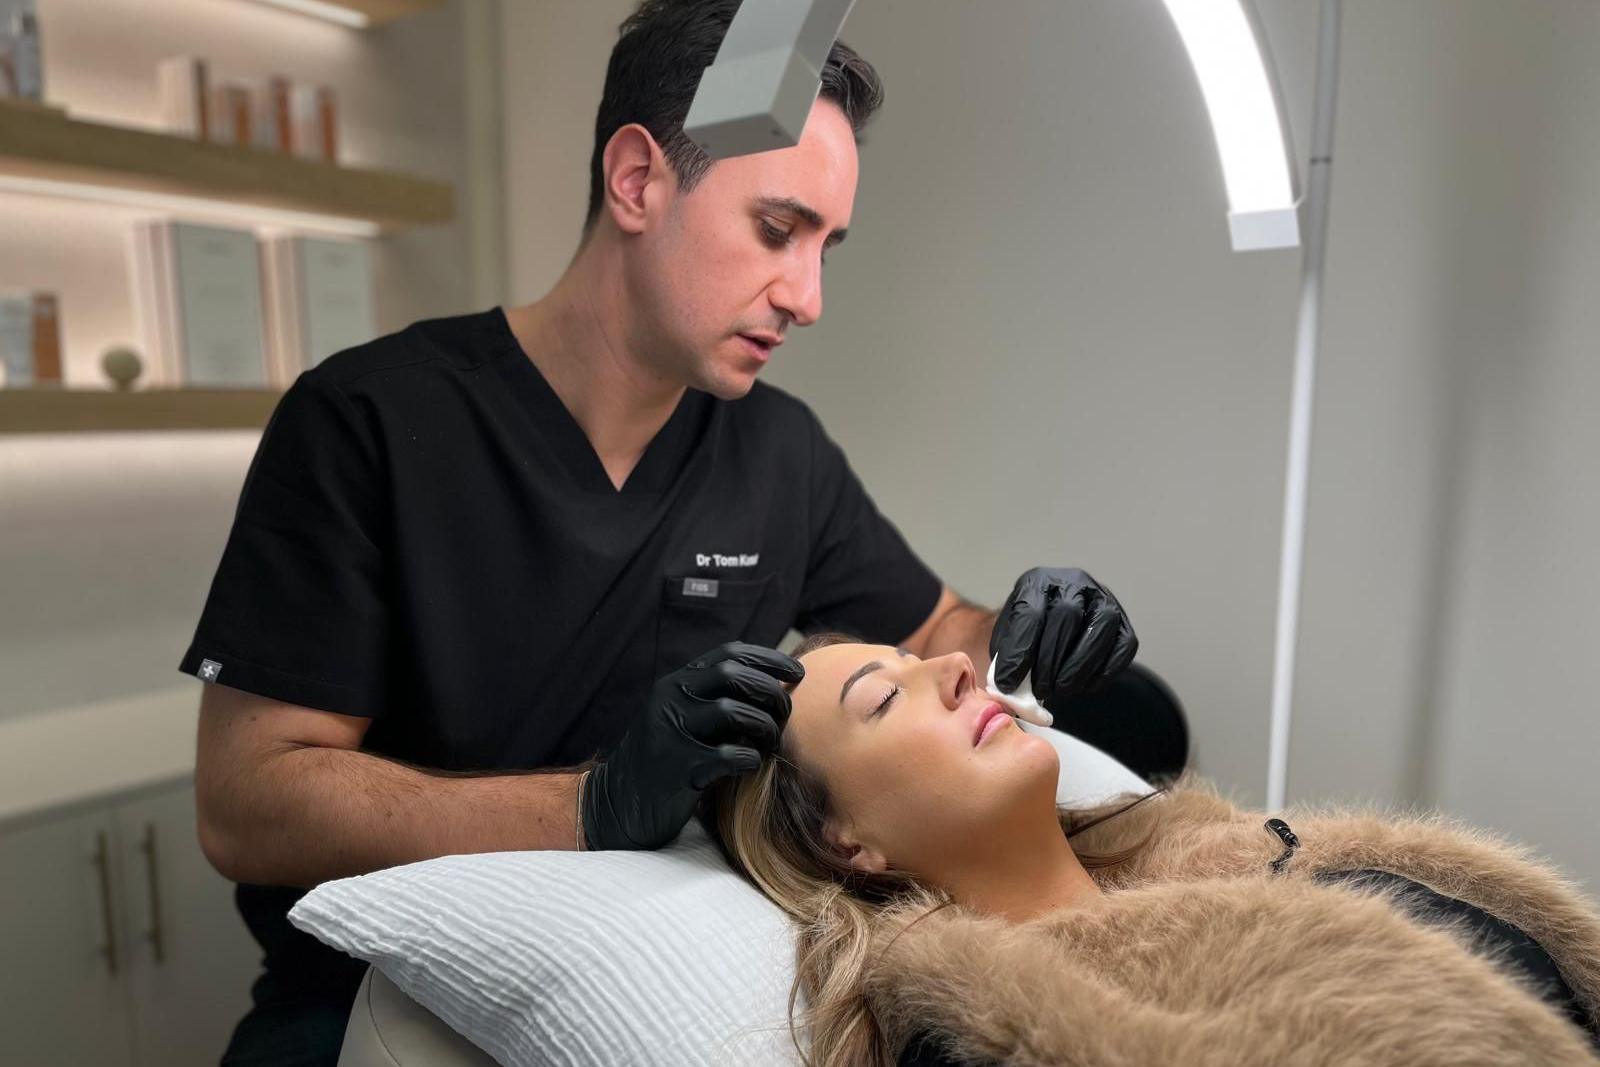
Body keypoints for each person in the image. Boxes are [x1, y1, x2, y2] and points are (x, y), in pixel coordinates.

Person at [179, 3, 1140, 1063]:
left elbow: (938, 627)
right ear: (636, 179)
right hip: (367, 995)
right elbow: (245, 800)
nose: (808, 295)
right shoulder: (372, 422)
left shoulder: (776, 453)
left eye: (827, 245)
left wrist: (1025, 622)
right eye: (776, 230)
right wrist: (593, 802)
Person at [702, 632, 1600, 1067]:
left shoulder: (1246, 851)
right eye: (883, 697)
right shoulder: (990, 1027)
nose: (954, 667)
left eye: (915, 654)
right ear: (847, 842)